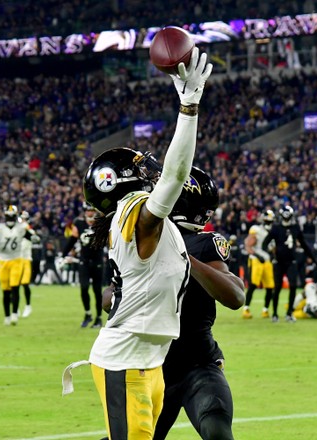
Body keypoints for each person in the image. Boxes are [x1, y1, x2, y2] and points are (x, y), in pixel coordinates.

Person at [62, 47, 213, 440]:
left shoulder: (140, 224)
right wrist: (188, 108)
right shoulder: (135, 212)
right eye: (139, 167)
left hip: (149, 359)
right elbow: (176, 175)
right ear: (124, 183)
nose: (148, 169)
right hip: (125, 361)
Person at [152, 167, 245, 440]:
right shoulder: (144, 243)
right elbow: (108, 299)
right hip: (152, 367)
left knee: (217, 431)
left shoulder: (204, 243)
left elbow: (235, 296)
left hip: (199, 364)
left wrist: (184, 258)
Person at [0, 205, 40, 325]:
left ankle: (14, 314)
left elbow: (32, 237)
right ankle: (7, 316)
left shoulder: (21, 227)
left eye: (11, 215)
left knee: (15, 288)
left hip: (16, 259)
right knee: (6, 291)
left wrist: (34, 237)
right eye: (8, 215)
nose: (10, 217)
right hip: (3, 260)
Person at [262, 205, 316, 322]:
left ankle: (289, 313)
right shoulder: (276, 228)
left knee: (293, 286)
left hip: (291, 261)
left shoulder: (295, 227)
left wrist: (314, 259)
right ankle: (275, 313)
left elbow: (304, 245)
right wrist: (271, 255)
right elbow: (264, 243)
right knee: (277, 288)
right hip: (279, 262)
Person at [61, 202, 105, 328]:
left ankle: (98, 318)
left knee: (97, 291)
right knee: (84, 288)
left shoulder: (100, 222)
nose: (90, 213)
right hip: (84, 261)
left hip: (97, 261)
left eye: (92, 210)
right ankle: (88, 314)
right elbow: (72, 240)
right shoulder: (79, 223)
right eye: (88, 211)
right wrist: (63, 254)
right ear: (85, 212)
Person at [242, 210, 275, 319]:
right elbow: (248, 245)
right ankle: (246, 309)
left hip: (267, 260)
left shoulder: (273, 231)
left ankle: (265, 310)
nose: (268, 222)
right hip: (256, 260)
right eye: (267, 220)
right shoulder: (257, 230)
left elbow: (272, 248)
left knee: (270, 286)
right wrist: (257, 255)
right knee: (253, 285)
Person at [19, 211, 33, 318]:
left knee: (25, 284)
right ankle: (16, 308)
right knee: (14, 285)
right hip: (16, 260)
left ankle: (28, 306)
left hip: (26, 259)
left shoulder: (28, 230)